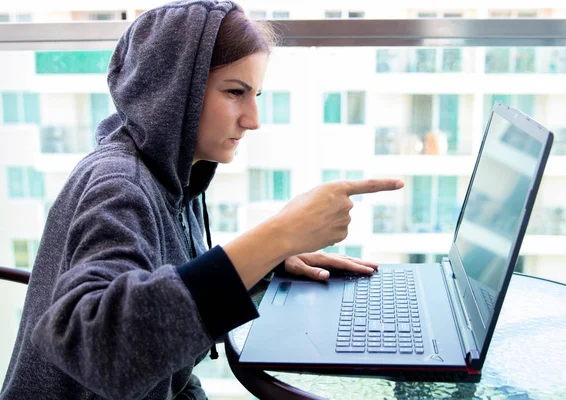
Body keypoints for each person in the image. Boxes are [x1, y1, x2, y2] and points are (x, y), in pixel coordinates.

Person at [0, 1, 403, 399]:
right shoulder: (119, 184)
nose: (253, 118)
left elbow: (161, 317)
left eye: (256, 94)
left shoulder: (177, 180)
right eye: (234, 92)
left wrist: (263, 264)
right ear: (174, 92)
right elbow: (97, 349)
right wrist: (277, 235)